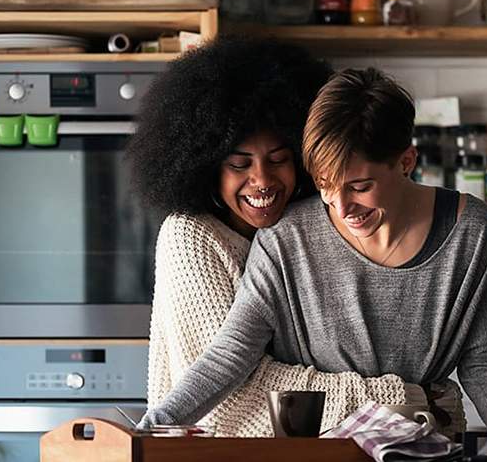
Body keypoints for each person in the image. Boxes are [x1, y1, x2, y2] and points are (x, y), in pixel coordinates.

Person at [138, 67, 487, 437]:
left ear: (406, 162)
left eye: (360, 187)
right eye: (326, 185)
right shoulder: (286, 236)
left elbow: (482, 362)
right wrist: (151, 427)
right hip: (320, 452)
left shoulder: (470, 229)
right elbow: (231, 353)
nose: (341, 206)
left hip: (426, 445)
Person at [127, 40, 407, 437]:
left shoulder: (298, 229)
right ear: (206, 168)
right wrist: (391, 396)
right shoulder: (190, 236)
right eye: (239, 164)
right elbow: (234, 394)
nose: (262, 181)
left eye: (278, 160)